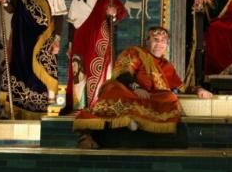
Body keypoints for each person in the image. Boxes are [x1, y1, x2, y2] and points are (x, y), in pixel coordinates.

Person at [73, 26, 211, 147]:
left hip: (151, 96)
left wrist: (198, 89)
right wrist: (136, 87)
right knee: (113, 88)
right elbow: (123, 72)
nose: (159, 44)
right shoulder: (135, 52)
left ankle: (137, 120)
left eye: (163, 42)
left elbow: (181, 86)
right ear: (147, 41)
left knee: (169, 97)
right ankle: (91, 133)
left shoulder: (165, 65)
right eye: (155, 40)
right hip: (129, 90)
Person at [0, 0, 67, 115]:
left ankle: (49, 109)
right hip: (22, 39)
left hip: (44, 38)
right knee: (22, 72)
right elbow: (11, 8)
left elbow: (59, 16)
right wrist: (4, 0)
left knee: (46, 71)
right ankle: (18, 111)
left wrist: (57, 39)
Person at [66, 0, 126, 112]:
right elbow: (71, 25)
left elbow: (121, 13)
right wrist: (69, 44)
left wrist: (113, 13)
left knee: (97, 72)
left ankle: (96, 105)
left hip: (99, 40)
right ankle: (78, 108)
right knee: (78, 73)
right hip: (80, 40)